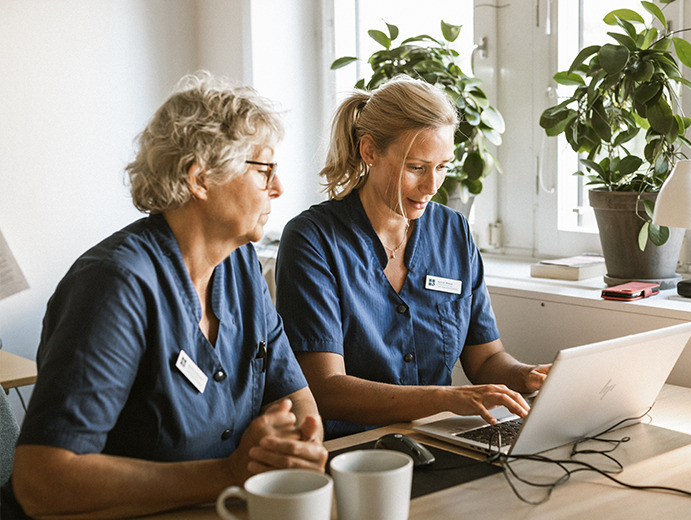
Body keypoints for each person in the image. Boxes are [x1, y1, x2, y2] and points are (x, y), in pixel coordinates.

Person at [3, 72, 327, 519]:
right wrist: (230, 472)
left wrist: (292, 444)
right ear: (200, 179)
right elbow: (43, 480)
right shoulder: (115, 286)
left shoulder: (242, 266)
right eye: (264, 170)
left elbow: (291, 395)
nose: (278, 188)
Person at [275, 75, 550, 439]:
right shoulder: (313, 240)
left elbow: (485, 359)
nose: (432, 186)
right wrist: (445, 398)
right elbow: (325, 389)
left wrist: (527, 376)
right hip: (355, 448)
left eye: (443, 166)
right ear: (370, 151)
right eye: (416, 167)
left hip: (438, 438)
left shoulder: (454, 232)